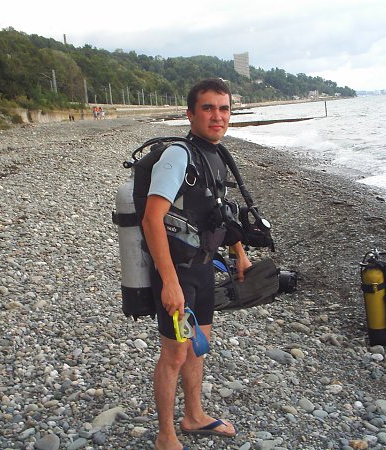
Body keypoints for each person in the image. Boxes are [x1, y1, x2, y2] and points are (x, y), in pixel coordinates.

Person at [141, 78, 251, 450]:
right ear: (190, 114)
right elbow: (151, 219)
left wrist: (239, 251)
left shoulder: (216, 154)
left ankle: (194, 416)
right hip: (176, 273)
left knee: (197, 346)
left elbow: (218, 212)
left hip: (202, 269)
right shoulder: (179, 156)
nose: (217, 116)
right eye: (208, 108)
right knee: (174, 353)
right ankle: (165, 436)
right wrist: (170, 282)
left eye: (223, 109)